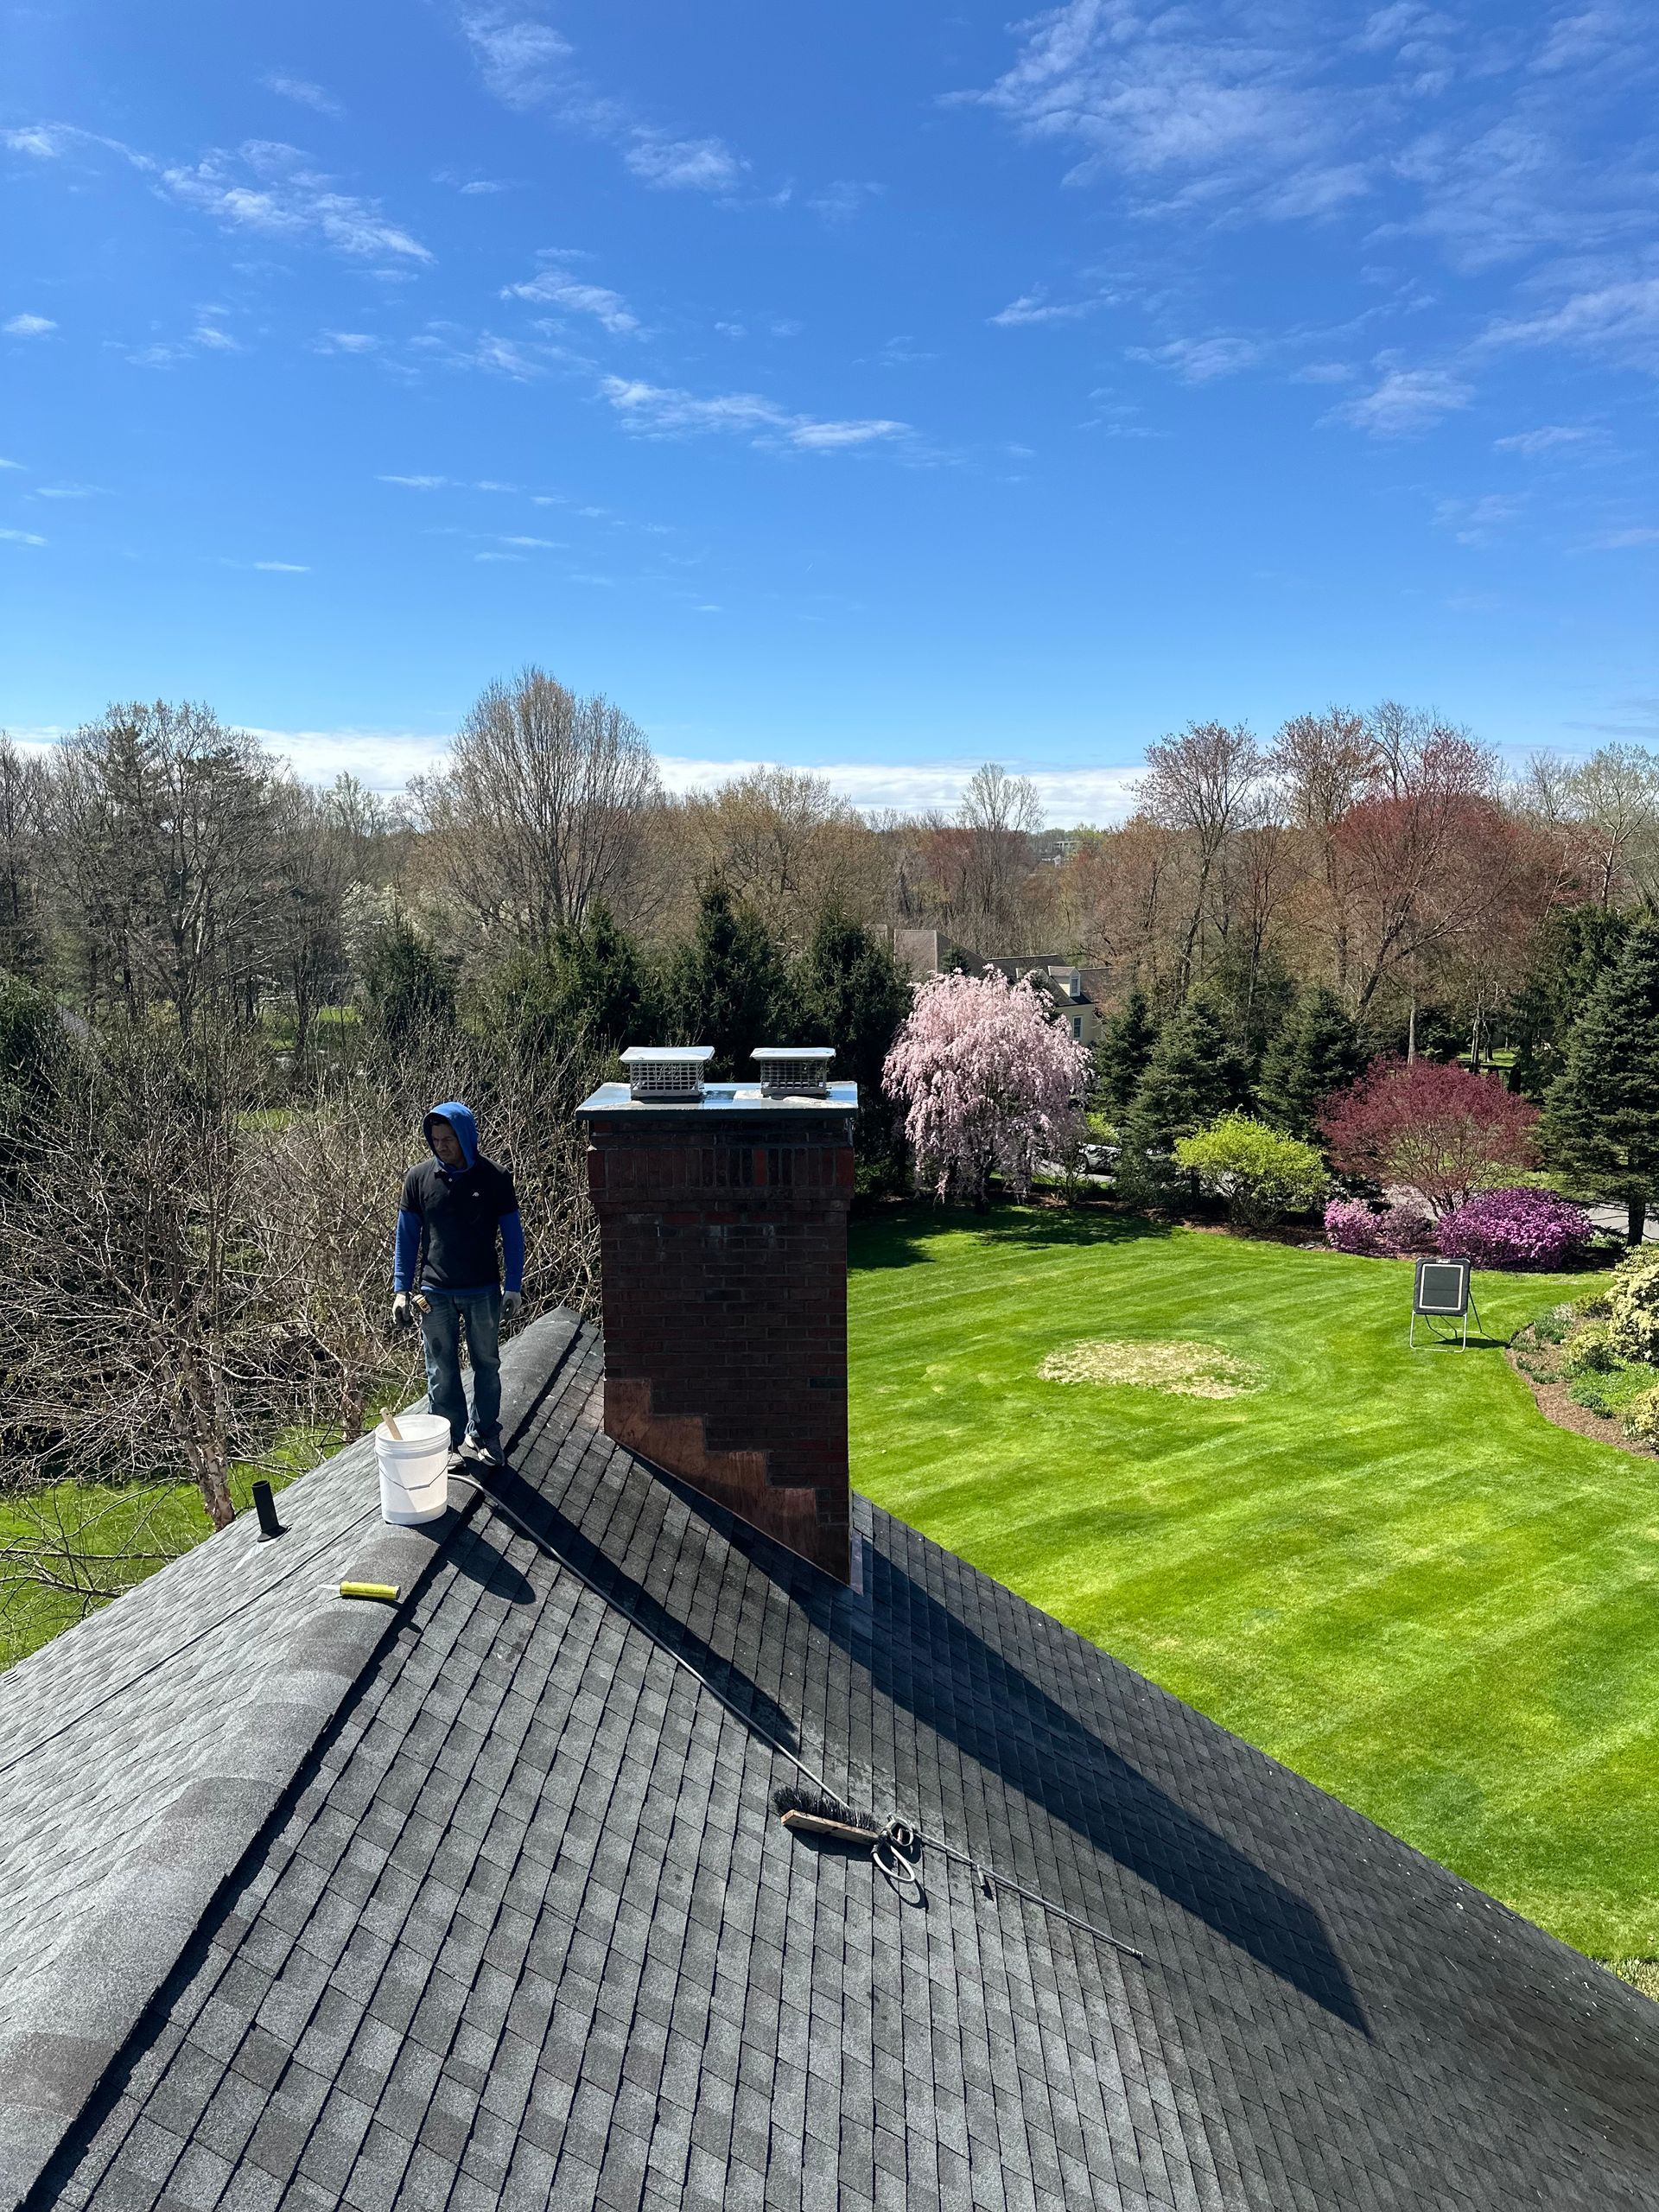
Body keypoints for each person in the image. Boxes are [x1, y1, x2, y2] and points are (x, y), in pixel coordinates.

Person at [392, 1099, 524, 1470]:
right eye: (435, 1139)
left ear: (466, 1137)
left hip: (483, 1289)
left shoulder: (495, 1177)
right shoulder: (418, 1179)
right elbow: (407, 1238)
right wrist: (401, 1289)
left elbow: (513, 1236)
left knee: (487, 1363)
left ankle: (484, 1433)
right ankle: (448, 1442)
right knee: (441, 1370)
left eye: (448, 1138)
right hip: (434, 1293)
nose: (440, 1145)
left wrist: (513, 1284)